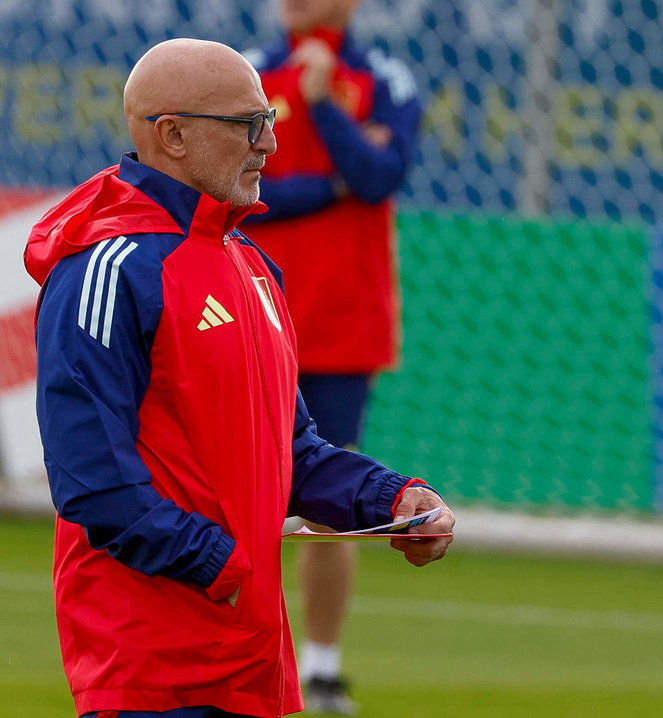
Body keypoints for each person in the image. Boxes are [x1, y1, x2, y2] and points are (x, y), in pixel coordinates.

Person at [24, 38, 454, 718]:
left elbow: (291, 451)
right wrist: (217, 565)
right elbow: (90, 475)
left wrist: (391, 501)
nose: (270, 146)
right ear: (172, 135)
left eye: (273, 123)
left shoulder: (250, 265)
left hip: (251, 658)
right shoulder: (106, 270)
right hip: (151, 666)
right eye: (251, 125)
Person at [238, 1, 422, 711]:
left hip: (344, 324)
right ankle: (245, 654)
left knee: (329, 495)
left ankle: (319, 668)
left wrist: (321, 107)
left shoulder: (383, 79)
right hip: (255, 311)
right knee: (237, 490)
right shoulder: (247, 73)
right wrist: (329, 187)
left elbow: (379, 176)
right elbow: (242, 191)